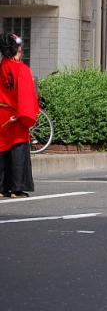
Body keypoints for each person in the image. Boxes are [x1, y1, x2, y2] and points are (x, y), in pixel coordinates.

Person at [0, 34, 39, 198]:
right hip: (16, 115)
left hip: (2, 113)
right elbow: (26, 95)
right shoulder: (21, 69)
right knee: (17, 149)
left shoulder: (2, 67)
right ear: (19, 49)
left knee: (2, 150)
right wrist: (26, 115)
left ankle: (2, 188)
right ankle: (16, 187)